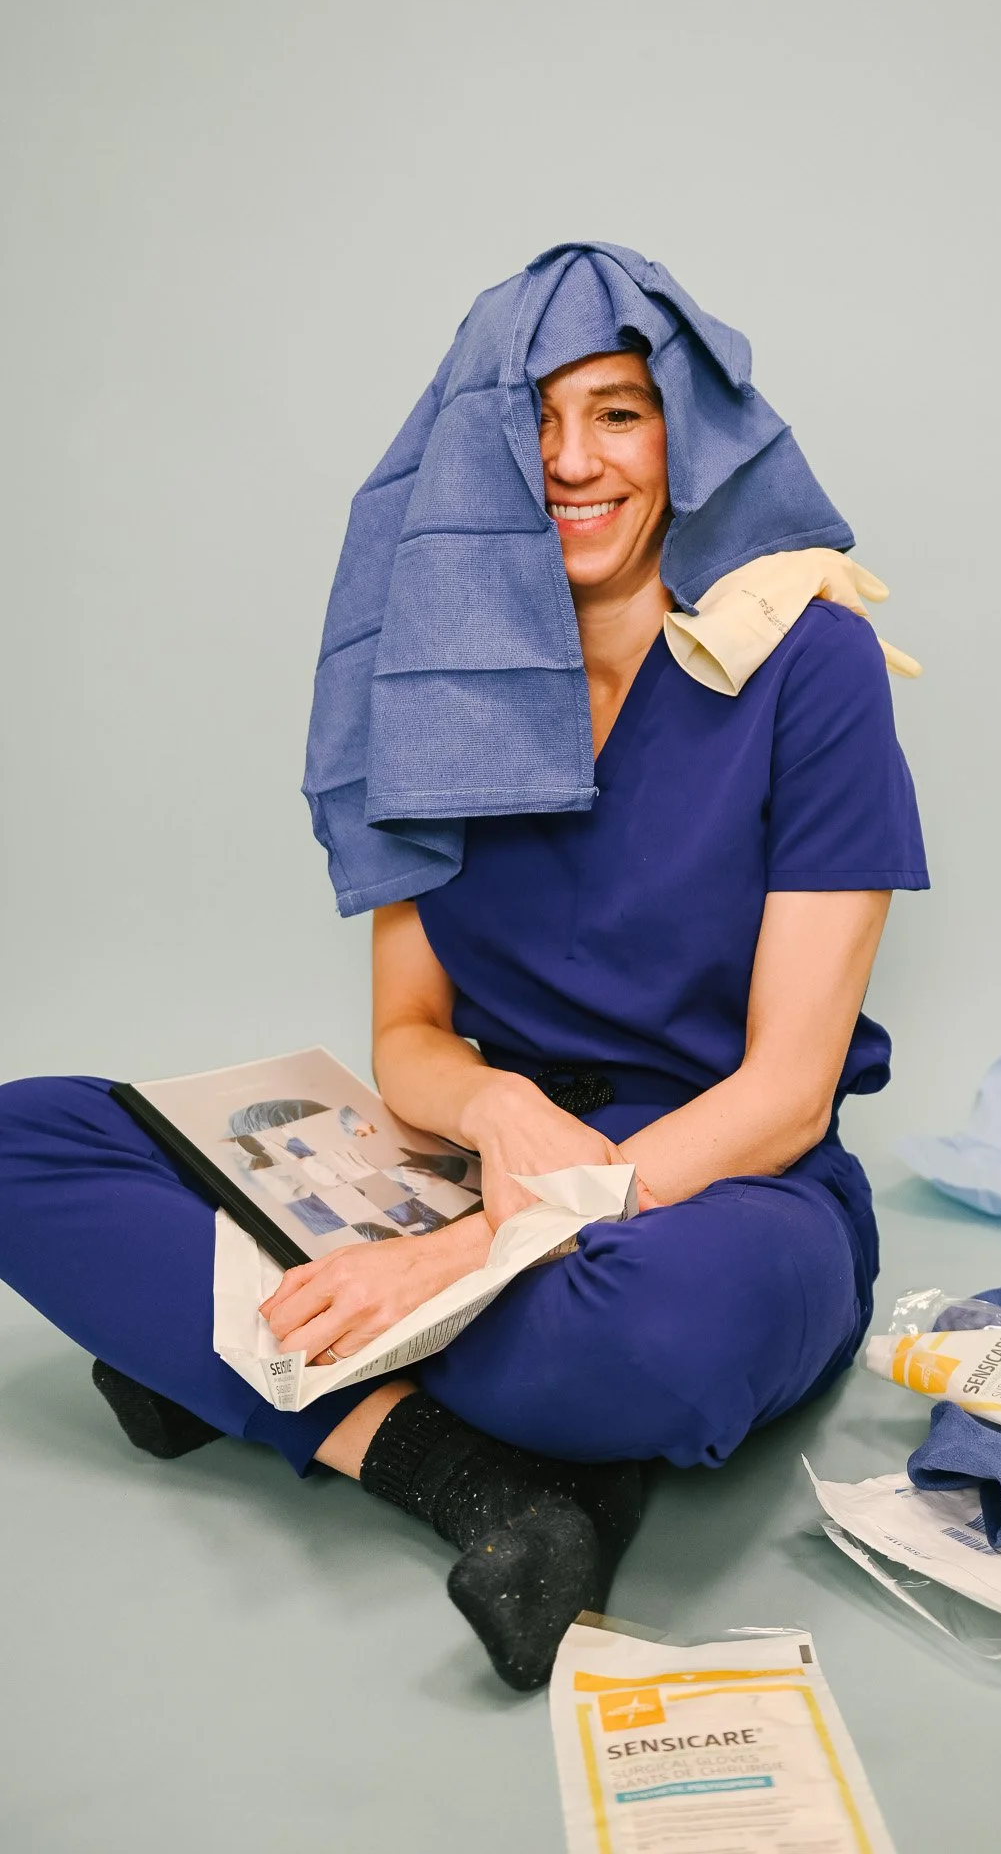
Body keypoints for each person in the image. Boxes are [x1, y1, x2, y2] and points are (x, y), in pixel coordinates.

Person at [0, 243, 929, 1691]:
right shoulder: (427, 674)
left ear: (684, 430)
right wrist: (490, 1120)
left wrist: (465, 1257)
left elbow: (786, 1095)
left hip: (706, 1187)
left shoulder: (813, 660)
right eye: (530, 421)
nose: (572, 460)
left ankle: (249, 1355)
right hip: (452, 1153)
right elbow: (412, 1035)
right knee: (20, 1144)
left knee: (655, 1341)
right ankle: (467, 1477)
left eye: (616, 412)